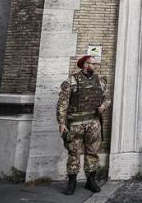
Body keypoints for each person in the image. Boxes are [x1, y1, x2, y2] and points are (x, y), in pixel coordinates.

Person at [57, 55, 109, 195]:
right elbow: (62, 104)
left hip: (93, 123)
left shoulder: (100, 81)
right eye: (93, 63)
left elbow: (106, 98)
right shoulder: (71, 81)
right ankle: (72, 181)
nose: (95, 66)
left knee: (92, 153)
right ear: (85, 64)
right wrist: (62, 123)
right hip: (75, 124)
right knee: (74, 153)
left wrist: (103, 106)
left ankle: (90, 180)